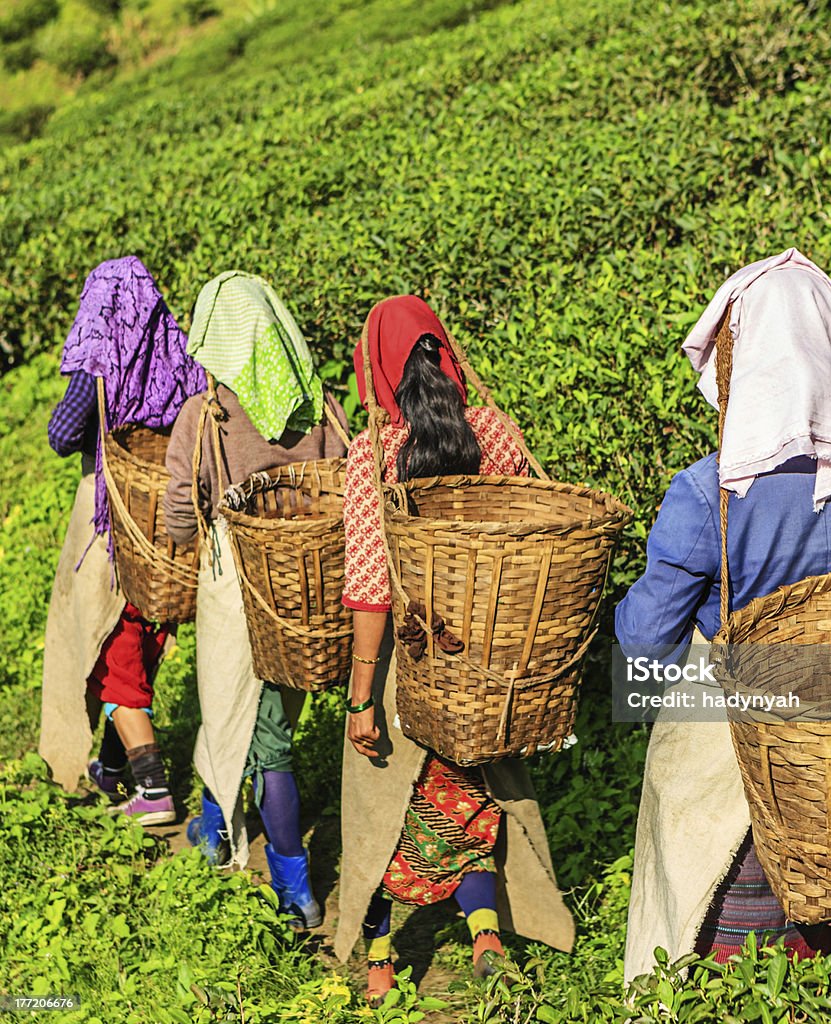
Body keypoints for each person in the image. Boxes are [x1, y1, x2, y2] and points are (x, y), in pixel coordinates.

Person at [615, 249, 831, 981]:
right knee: (822, 920)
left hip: (734, 739)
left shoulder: (707, 493)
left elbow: (642, 641)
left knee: (707, 930)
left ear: (742, 358)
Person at [335, 295, 575, 1007]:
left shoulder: (373, 453)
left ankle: (380, 963)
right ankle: (487, 937)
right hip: (483, 667)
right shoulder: (494, 433)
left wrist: (359, 698)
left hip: (406, 668)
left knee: (380, 810)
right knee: (468, 801)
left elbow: (370, 584)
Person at [163, 270, 348, 928]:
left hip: (238, 586)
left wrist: (191, 529)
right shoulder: (319, 405)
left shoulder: (205, 414)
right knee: (263, 713)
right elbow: (349, 483)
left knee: (252, 726)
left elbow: (181, 514)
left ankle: (293, 882)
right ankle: (215, 826)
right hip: (306, 590)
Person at [39, 255, 206, 825]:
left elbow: (64, 435)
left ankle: (153, 787)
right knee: (142, 624)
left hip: (114, 514)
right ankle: (112, 770)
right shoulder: (179, 352)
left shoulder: (100, 362)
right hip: (169, 513)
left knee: (107, 638)